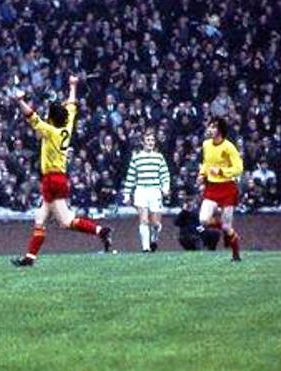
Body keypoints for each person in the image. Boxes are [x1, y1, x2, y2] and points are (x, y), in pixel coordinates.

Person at [12, 74, 113, 267]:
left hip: (53, 179)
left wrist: (20, 101)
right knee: (40, 218)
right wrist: (73, 85)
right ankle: (29, 258)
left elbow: (31, 117)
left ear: (51, 118)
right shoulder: (66, 125)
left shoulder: (51, 132)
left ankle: (101, 231)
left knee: (65, 221)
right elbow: (72, 105)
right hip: (57, 178)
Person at [197, 117, 244, 262]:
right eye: (209, 127)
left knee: (227, 227)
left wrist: (222, 171)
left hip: (227, 188)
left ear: (220, 130)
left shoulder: (229, 147)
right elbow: (206, 163)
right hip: (212, 187)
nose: (210, 130)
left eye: (213, 127)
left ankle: (236, 254)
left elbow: (238, 168)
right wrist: (202, 174)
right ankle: (223, 227)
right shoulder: (206, 144)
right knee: (204, 219)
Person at [122, 129, 171, 252]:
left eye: (152, 140)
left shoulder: (159, 157)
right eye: (148, 140)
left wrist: (165, 187)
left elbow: (165, 175)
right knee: (143, 219)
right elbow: (131, 176)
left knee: (155, 223)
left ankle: (154, 238)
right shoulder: (137, 158)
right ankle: (146, 247)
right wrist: (127, 194)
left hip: (155, 191)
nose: (150, 142)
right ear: (143, 142)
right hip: (141, 190)